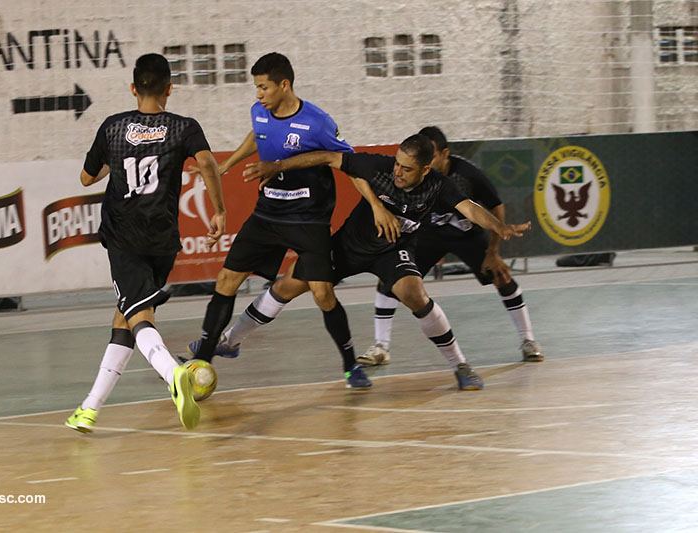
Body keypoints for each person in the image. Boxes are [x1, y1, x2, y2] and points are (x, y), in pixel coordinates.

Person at [216, 134, 530, 390]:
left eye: (407, 169)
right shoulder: (378, 167)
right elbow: (328, 157)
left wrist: (498, 227)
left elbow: (470, 208)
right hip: (349, 246)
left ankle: (460, 364)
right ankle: (229, 341)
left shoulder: (439, 185)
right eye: (397, 164)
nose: (398, 172)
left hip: (392, 251)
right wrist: (279, 165)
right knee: (288, 284)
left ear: (424, 170)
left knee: (414, 293)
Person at [188, 52, 378, 389]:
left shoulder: (318, 122)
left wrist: (376, 206)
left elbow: (350, 164)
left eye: (263, 87)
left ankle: (351, 367)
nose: (258, 94)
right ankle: (203, 357)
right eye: (256, 87)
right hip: (268, 213)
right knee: (227, 280)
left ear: (284, 84)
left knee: (323, 295)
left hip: (309, 219)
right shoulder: (259, 111)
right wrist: (227, 164)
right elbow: (257, 134)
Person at [65, 53, 226, 433]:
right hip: (163, 237)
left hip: (125, 235)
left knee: (138, 315)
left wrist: (113, 164)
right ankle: (90, 407)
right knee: (127, 315)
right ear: (170, 89)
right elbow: (207, 164)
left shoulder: (113, 127)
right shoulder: (183, 127)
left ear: (133, 88)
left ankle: (174, 375)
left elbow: (87, 178)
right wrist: (219, 210)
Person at [357, 126, 543, 367]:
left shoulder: (467, 175)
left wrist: (493, 251)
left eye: (431, 156)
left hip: (467, 236)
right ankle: (381, 346)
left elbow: (496, 205)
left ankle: (528, 340)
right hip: (429, 236)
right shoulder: (416, 176)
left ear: (445, 154)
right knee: (389, 279)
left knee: (501, 275)